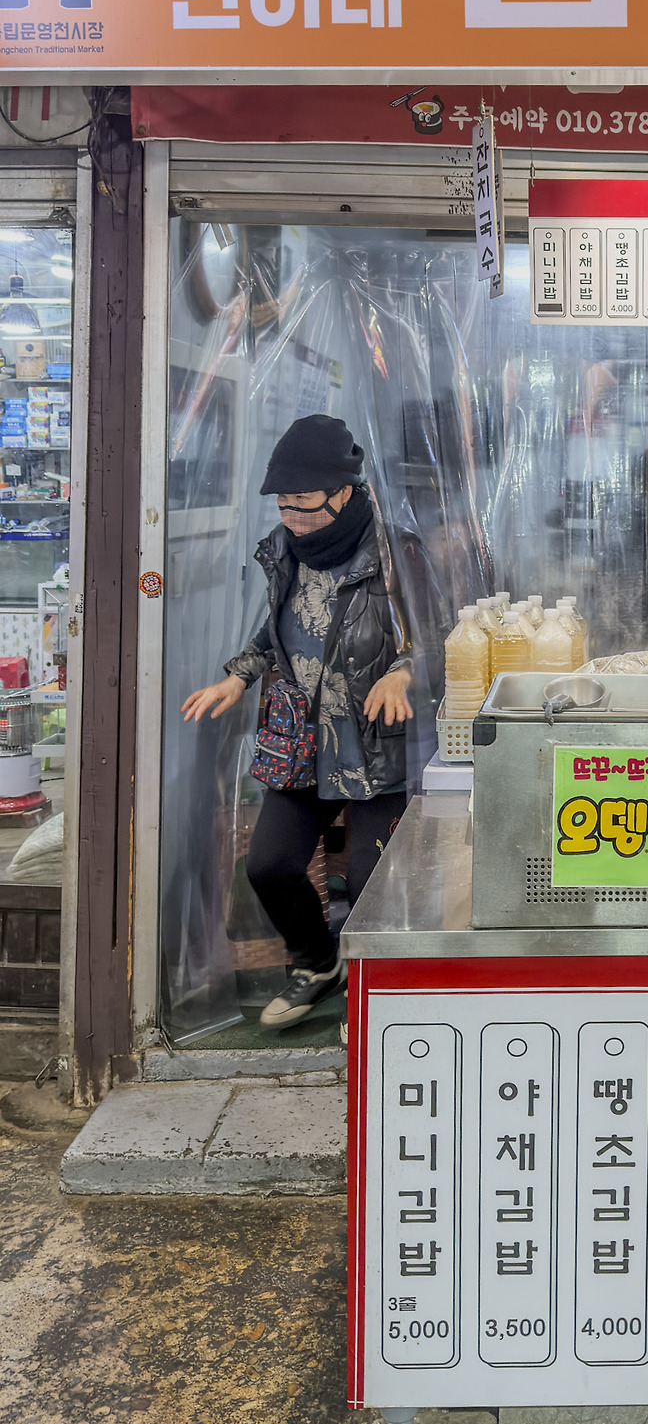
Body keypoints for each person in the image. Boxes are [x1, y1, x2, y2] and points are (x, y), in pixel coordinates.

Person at [182, 415, 413, 1032]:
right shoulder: (284, 548)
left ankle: (379, 994)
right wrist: (238, 675)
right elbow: (278, 630)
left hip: (367, 739)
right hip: (300, 738)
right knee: (270, 866)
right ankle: (317, 962)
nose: (294, 518)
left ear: (345, 490)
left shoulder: (395, 554)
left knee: (373, 878)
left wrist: (405, 672)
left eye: (306, 504)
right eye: (284, 506)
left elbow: (441, 633)